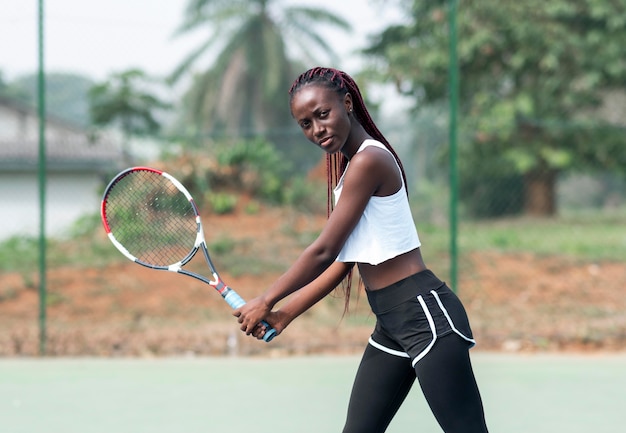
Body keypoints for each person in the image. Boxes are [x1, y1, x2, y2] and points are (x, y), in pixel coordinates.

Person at [233, 67, 489, 433]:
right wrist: (285, 313)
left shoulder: (369, 160)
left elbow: (323, 250)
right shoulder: (353, 169)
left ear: (347, 103)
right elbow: (343, 263)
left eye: (323, 114)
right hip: (392, 322)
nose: (317, 129)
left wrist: (265, 299)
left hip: (424, 316)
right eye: (306, 123)